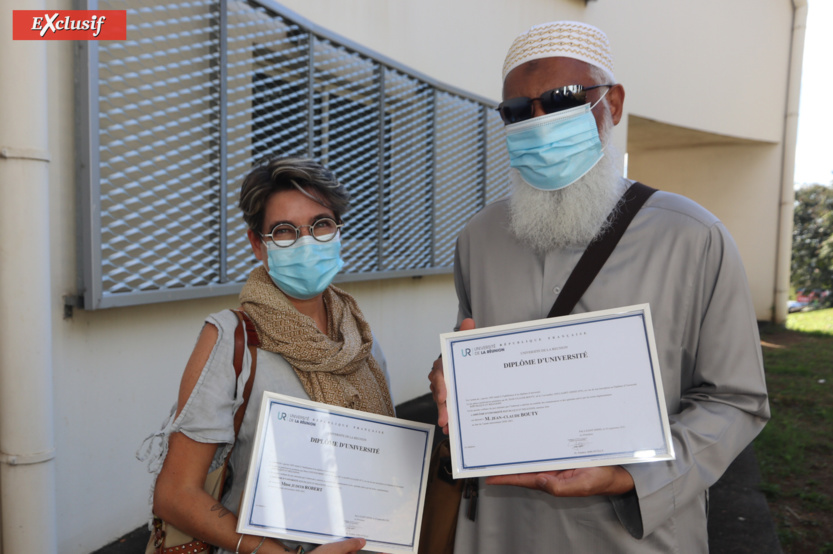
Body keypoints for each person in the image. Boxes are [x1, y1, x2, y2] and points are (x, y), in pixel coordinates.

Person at [428, 21, 770, 552]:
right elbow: (476, 358)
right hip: (500, 529)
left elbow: (735, 400)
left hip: (634, 534)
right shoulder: (479, 237)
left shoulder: (692, 235)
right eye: (517, 111)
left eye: (562, 99)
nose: (538, 120)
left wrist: (631, 477)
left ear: (612, 102)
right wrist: (454, 384)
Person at [142, 157, 394, 554]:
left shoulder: (360, 340)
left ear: (338, 231)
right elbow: (174, 493)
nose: (306, 242)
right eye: (284, 231)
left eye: (321, 224)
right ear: (258, 244)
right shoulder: (231, 338)